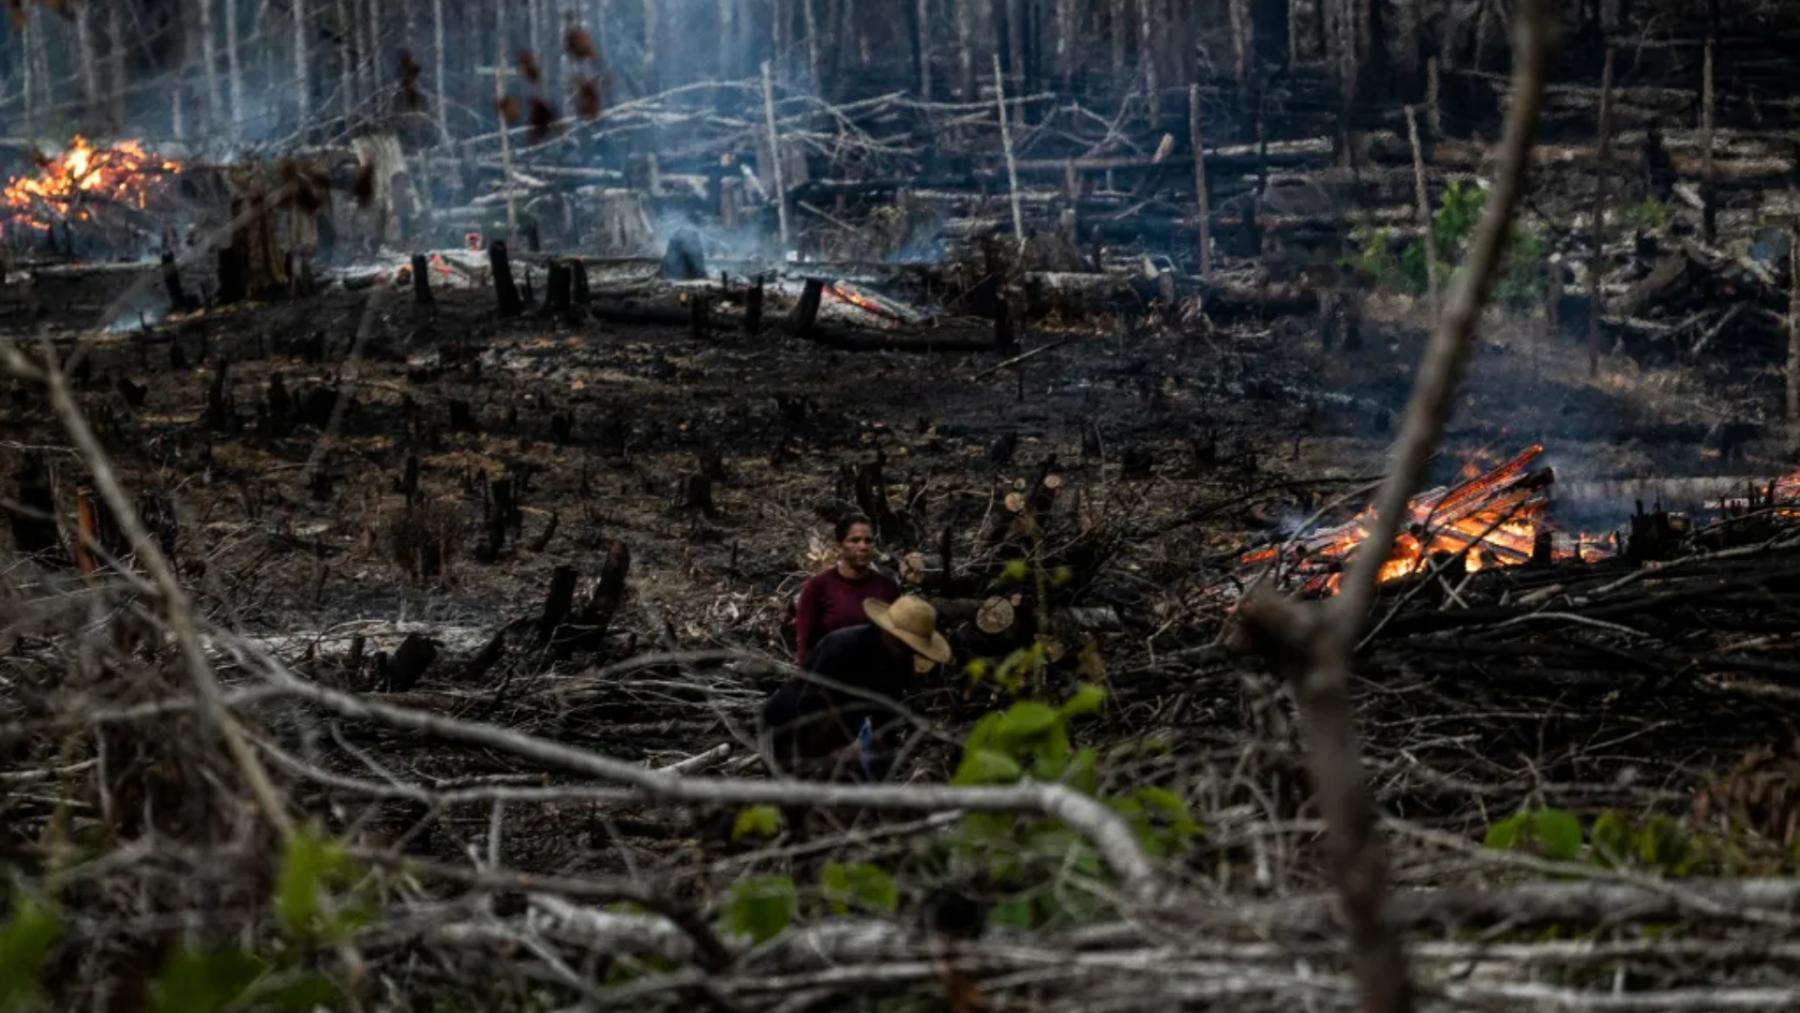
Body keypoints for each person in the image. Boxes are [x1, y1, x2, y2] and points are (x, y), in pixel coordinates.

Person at [761, 595, 953, 782]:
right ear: (888, 632)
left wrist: (881, 750)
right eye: (904, 644)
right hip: (791, 723)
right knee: (792, 797)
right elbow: (812, 705)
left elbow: (887, 713)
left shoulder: (901, 661)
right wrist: (831, 753)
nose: (909, 651)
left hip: (841, 727)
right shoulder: (841, 646)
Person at [792, 515, 900, 667]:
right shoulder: (817, 587)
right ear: (839, 546)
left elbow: (899, 640)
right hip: (832, 677)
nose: (863, 547)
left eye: (868, 540)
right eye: (854, 540)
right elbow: (804, 645)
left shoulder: (887, 587)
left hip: (876, 679)